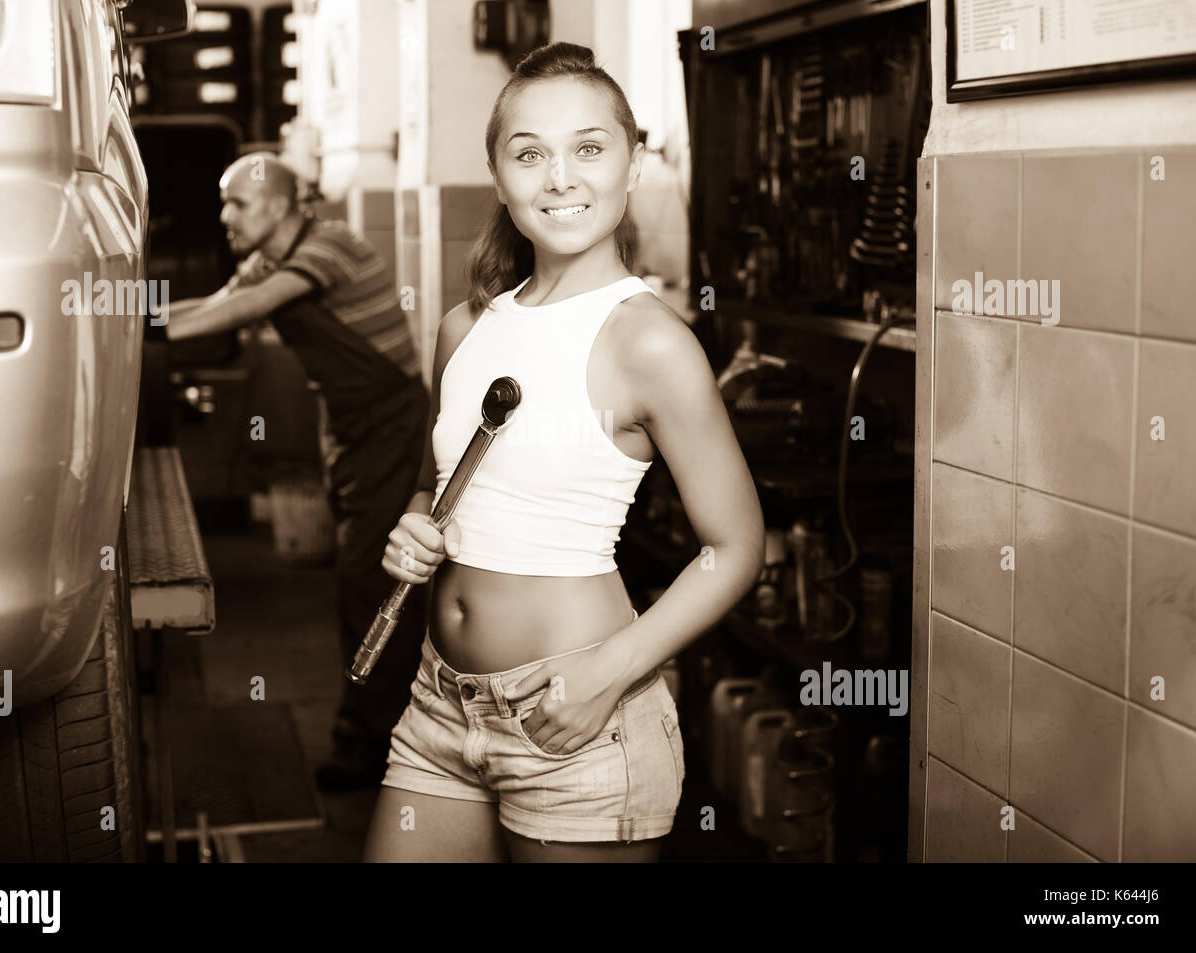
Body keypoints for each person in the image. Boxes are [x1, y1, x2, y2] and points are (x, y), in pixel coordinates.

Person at [361, 43, 764, 862]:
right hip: (439, 704)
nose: (560, 178)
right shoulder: (462, 329)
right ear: (498, 174)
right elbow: (434, 488)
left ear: (633, 162)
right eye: (529, 153)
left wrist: (607, 674)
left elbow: (737, 547)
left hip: (579, 719)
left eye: (589, 147)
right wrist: (411, 529)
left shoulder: (648, 341)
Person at [165, 153, 429, 791]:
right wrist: (113, 318)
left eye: (239, 204)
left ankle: (375, 751)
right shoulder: (264, 259)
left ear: (281, 205)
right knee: (360, 586)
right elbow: (214, 303)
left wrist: (133, 329)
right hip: (348, 433)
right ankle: (389, 737)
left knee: (374, 591)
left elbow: (247, 307)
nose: (225, 216)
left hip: (394, 430)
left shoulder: (330, 245)